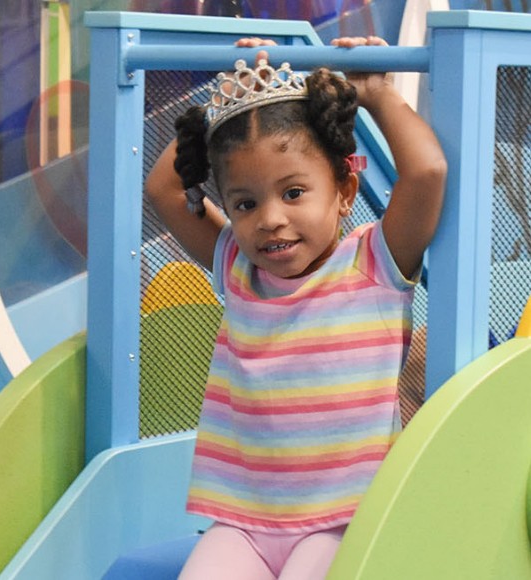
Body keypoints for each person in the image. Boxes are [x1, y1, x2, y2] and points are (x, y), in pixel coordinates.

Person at [146, 36, 447, 580]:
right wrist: (229, 88)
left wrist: (377, 94)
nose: (269, 219)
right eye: (245, 202)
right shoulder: (239, 267)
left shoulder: (373, 264)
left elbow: (426, 174)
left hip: (344, 517)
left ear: (344, 191)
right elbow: (166, 190)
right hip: (244, 521)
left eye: (293, 193)